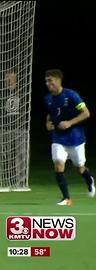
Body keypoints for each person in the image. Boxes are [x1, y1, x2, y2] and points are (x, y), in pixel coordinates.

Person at [44, 69, 94, 206]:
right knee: (58, 165)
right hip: (58, 139)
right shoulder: (47, 98)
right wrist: (48, 124)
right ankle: (66, 198)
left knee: (79, 167)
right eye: (46, 81)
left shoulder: (72, 95)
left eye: (50, 80)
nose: (48, 83)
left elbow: (86, 113)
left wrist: (69, 123)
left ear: (59, 80)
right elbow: (50, 114)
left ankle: (89, 180)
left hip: (75, 138)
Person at [0, 70, 27, 183]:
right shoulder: (0, 93)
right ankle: (5, 178)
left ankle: (21, 179)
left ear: (15, 79)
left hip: (19, 129)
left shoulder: (22, 92)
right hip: (4, 129)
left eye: (10, 78)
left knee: (21, 154)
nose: (8, 80)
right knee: (4, 155)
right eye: (6, 78)